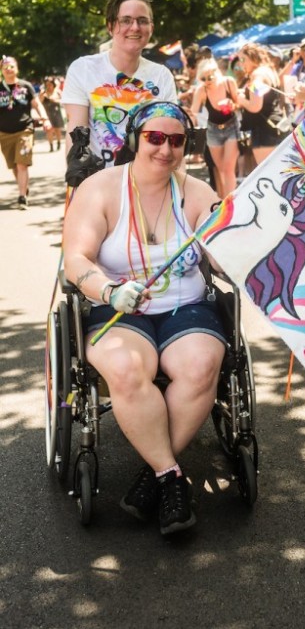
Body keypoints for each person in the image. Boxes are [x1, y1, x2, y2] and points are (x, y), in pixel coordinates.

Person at [62, 101, 227, 535]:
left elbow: (222, 256)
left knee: (201, 366)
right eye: (155, 138)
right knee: (128, 369)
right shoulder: (99, 189)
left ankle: (157, 474)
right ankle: (172, 477)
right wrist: (110, 291)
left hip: (185, 305)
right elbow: (75, 259)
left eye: (177, 141)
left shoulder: (198, 193)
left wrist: (239, 251)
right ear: (136, 140)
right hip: (117, 307)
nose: (165, 149)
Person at [62, 0, 176, 167]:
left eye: (142, 21)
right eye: (126, 20)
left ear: (151, 28)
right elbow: (76, 132)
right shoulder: (83, 69)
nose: (135, 27)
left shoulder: (162, 76)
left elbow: (170, 135)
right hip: (98, 182)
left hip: (150, 182)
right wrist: (77, 179)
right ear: (110, 26)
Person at [0, 56, 52, 209]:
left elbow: (36, 104)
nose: (9, 69)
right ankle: (24, 187)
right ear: (2, 70)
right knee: (15, 165)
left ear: (17, 68)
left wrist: (45, 119)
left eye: (11, 66)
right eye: (5, 67)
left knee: (22, 164)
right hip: (4, 133)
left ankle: (22, 196)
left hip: (25, 130)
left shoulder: (25, 86)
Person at [190, 57, 240, 197]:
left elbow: (238, 104)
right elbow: (193, 111)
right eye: (203, 78)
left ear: (216, 72)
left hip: (231, 127)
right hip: (213, 130)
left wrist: (232, 105)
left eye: (209, 77)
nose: (207, 81)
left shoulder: (228, 83)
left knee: (228, 168)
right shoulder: (202, 90)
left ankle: (232, 202)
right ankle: (224, 201)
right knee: (221, 169)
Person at [237, 43, 284, 165]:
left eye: (243, 59)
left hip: (264, 131)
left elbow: (255, 106)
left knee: (268, 172)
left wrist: (242, 99)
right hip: (274, 126)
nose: (241, 64)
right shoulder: (269, 70)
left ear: (253, 57)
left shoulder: (257, 75)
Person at [40, 76, 65, 152]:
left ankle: (59, 143)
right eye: (47, 85)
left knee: (58, 130)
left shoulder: (58, 92)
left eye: (50, 84)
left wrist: (55, 100)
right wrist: (42, 96)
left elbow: (63, 101)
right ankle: (51, 146)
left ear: (53, 85)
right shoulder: (43, 93)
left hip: (56, 113)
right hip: (47, 114)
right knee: (49, 130)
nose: (48, 86)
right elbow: (39, 103)